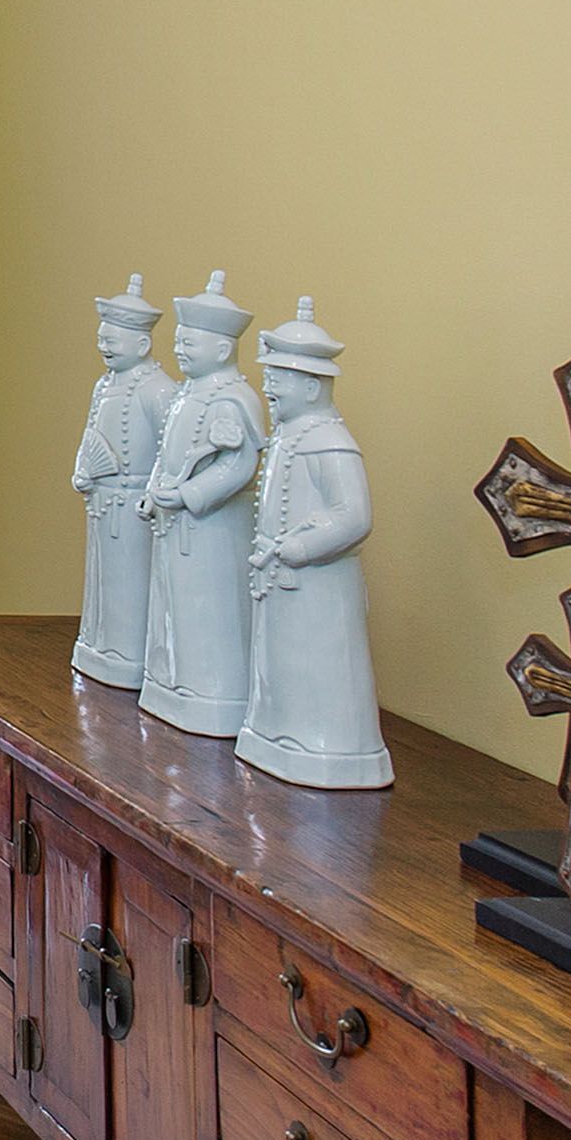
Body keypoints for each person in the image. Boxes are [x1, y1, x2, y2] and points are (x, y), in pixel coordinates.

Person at [240, 299, 394, 788]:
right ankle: (282, 735)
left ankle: (327, 746)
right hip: (282, 581)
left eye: (279, 378)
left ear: (311, 386)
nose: (269, 387)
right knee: (283, 665)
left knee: (323, 665)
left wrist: (302, 549)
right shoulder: (289, 436)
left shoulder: (331, 441)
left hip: (318, 585)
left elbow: (355, 517)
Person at [137, 275, 264, 738]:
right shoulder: (184, 395)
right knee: (173, 606)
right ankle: (171, 683)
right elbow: (166, 453)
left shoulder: (234, 399)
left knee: (208, 610)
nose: (180, 349)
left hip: (212, 532)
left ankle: (210, 691)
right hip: (174, 527)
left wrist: (191, 495)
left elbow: (240, 465)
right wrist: (154, 490)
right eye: (179, 341)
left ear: (223, 349)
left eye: (190, 342)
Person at [70, 277, 175, 690]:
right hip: (102, 503)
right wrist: (82, 471)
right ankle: (102, 645)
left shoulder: (159, 390)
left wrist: (153, 491)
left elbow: (172, 449)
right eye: (102, 338)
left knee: (132, 582)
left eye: (112, 339)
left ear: (142, 344)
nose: (104, 346)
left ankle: (130, 653)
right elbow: (90, 435)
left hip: (135, 507)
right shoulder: (103, 386)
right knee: (104, 584)